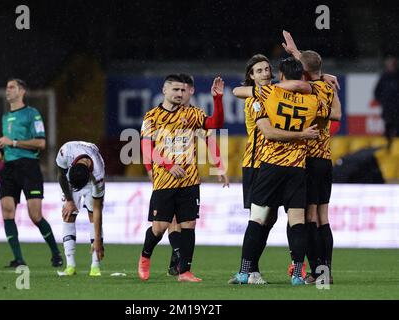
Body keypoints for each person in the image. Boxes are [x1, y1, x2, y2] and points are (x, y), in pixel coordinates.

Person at [231, 57, 330, 285]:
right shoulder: (312, 100)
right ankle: (297, 274)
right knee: (297, 222)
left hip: (270, 165)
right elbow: (328, 116)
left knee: (257, 218)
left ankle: (245, 271)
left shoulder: (269, 94)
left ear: (282, 77)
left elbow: (238, 91)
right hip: (297, 167)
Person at [138, 74, 224, 282]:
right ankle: (145, 257)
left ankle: (184, 271)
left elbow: (214, 124)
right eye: (175, 90)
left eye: (183, 90)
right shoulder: (152, 117)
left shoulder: (193, 113)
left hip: (190, 181)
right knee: (159, 227)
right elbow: (146, 147)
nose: (179, 94)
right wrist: (168, 165)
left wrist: (218, 99)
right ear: (164, 91)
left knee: (189, 226)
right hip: (164, 180)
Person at [282, 30, 342, 284]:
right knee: (322, 217)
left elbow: (296, 79)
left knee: (306, 217)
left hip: (305, 159)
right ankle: (324, 272)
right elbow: (337, 115)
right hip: (325, 158)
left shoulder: (305, 90)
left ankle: (315, 271)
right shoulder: (327, 88)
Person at [0, 78, 62, 268]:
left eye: (12, 87)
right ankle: (18, 259)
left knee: (35, 215)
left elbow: (41, 143)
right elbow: (8, 148)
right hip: (9, 168)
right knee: (7, 210)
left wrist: (13, 142)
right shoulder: (5, 117)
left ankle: (56, 253)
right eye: (7, 87)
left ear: (22, 91)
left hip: (29, 167)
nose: (7, 90)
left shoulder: (32, 114)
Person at [55, 141, 105, 277]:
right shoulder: (65, 152)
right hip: (70, 178)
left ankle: (95, 266)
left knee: (92, 217)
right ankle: (70, 265)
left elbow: (97, 209)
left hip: (89, 182)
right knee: (68, 214)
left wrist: (98, 242)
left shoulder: (98, 175)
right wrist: (69, 200)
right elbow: (60, 175)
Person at [374, 56, 399, 144]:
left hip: (397, 107)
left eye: (391, 65)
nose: (390, 67)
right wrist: (383, 101)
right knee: (388, 126)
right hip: (388, 107)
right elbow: (377, 91)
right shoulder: (384, 77)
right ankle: (389, 145)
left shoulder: (396, 77)